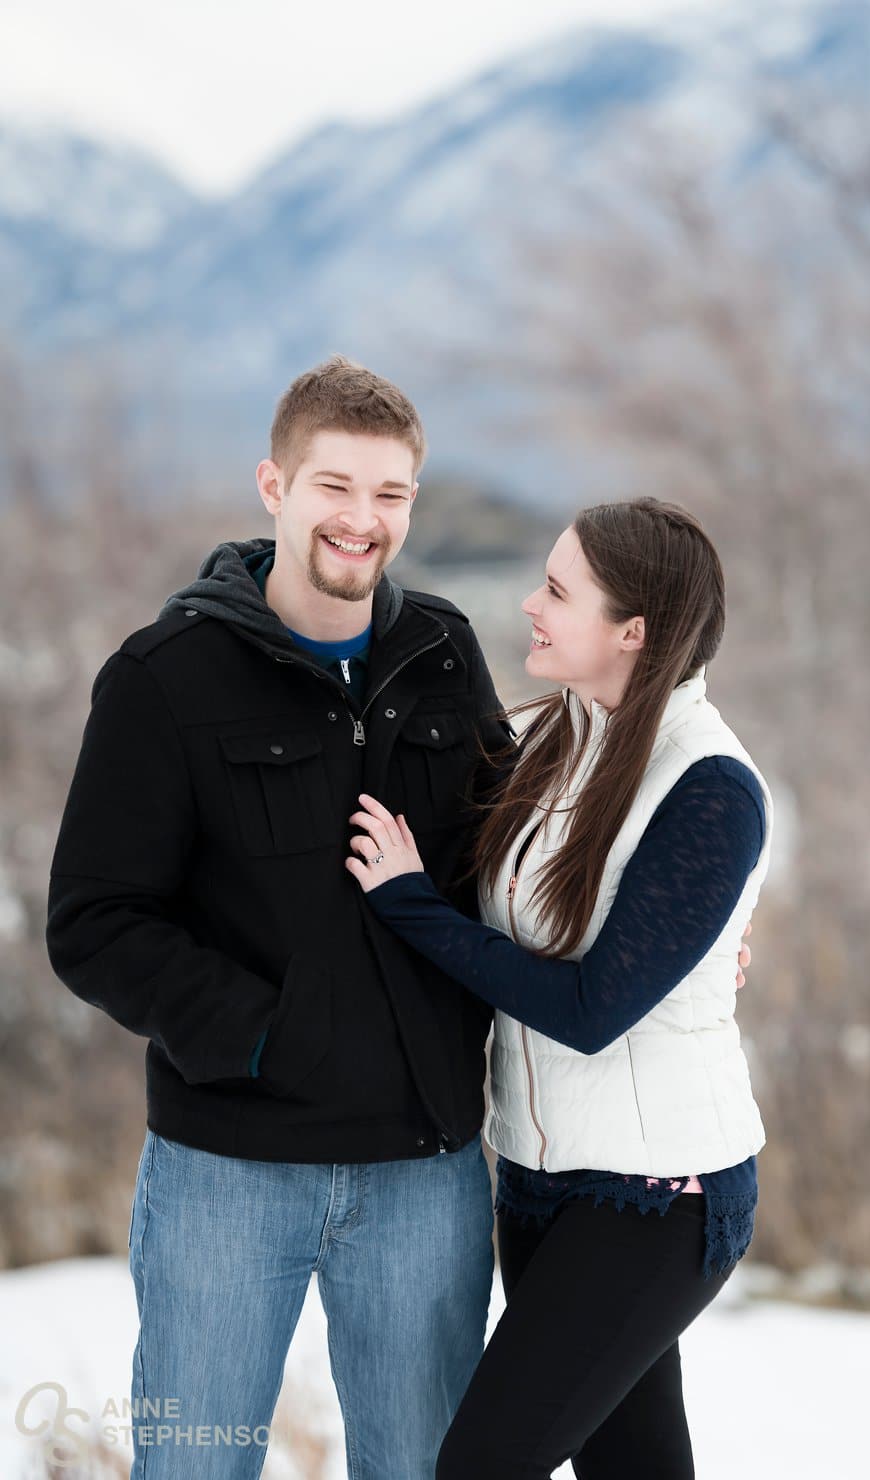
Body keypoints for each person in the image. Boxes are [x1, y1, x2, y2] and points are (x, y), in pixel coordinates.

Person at [44, 356, 515, 1480]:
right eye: (333, 487)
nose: (362, 521)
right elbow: (94, 919)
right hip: (229, 1170)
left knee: (424, 1468)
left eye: (390, 494)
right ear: (274, 485)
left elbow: (512, 859)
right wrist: (264, 1036)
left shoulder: (443, 654)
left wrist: (668, 946)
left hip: (423, 1170)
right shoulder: (165, 676)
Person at [347, 498, 771, 1480]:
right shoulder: (552, 739)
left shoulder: (708, 786)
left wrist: (409, 903)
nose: (531, 604)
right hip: (540, 1182)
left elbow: (591, 1009)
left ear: (632, 632)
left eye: (558, 590)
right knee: (633, 1467)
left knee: (481, 1464)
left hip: (658, 1198)